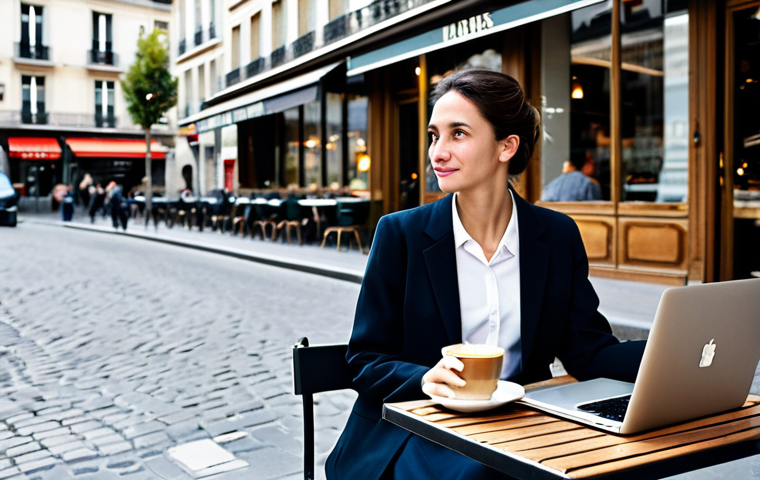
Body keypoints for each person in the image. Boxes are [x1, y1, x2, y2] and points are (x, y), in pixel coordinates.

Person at [326, 70, 646, 480]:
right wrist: (426, 378)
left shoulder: (556, 236)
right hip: (416, 429)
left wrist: (668, 354)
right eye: (434, 135)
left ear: (506, 146)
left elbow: (587, 349)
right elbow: (365, 360)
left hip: (520, 427)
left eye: (458, 134)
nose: (437, 152)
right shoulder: (399, 234)